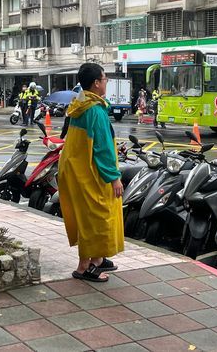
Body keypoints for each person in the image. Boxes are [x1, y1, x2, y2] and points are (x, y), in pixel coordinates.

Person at [57, 63, 124, 283]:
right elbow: (103, 148)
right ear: (96, 83)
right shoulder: (94, 110)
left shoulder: (80, 104)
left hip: (76, 170)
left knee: (88, 216)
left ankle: (97, 258)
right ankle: (85, 267)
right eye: (105, 79)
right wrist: (113, 177)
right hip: (91, 172)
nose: (106, 82)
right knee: (98, 217)